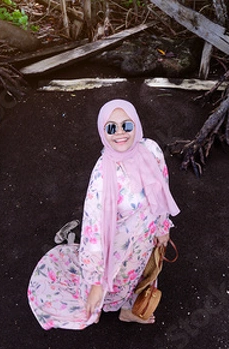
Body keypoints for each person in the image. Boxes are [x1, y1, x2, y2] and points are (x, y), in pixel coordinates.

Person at [27, 99, 180, 330]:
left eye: (126, 125)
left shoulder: (150, 149)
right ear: (102, 131)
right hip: (118, 250)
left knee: (140, 275)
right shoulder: (103, 173)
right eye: (111, 127)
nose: (120, 133)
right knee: (117, 283)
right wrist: (97, 284)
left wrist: (162, 228)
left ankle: (127, 311)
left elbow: (161, 187)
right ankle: (107, 303)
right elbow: (93, 230)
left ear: (135, 124)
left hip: (146, 239)